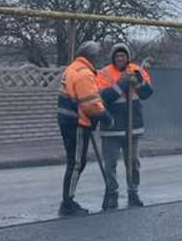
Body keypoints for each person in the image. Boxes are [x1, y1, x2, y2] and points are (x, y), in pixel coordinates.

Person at [96, 43, 154, 210]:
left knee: (133, 162)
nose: (120, 58)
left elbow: (147, 93)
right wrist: (122, 84)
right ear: (113, 57)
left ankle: (133, 191)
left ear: (128, 57)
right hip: (112, 126)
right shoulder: (104, 73)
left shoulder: (136, 70)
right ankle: (112, 193)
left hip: (132, 126)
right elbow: (104, 97)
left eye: (123, 56)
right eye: (117, 56)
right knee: (110, 164)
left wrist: (138, 81)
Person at [57, 41, 111, 217]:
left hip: (68, 120)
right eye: (97, 56)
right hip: (77, 123)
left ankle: (68, 200)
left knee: (75, 161)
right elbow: (90, 104)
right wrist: (104, 117)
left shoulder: (72, 68)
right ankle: (67, 203)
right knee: (77, 163)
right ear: (92, 56)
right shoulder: (84, 73)